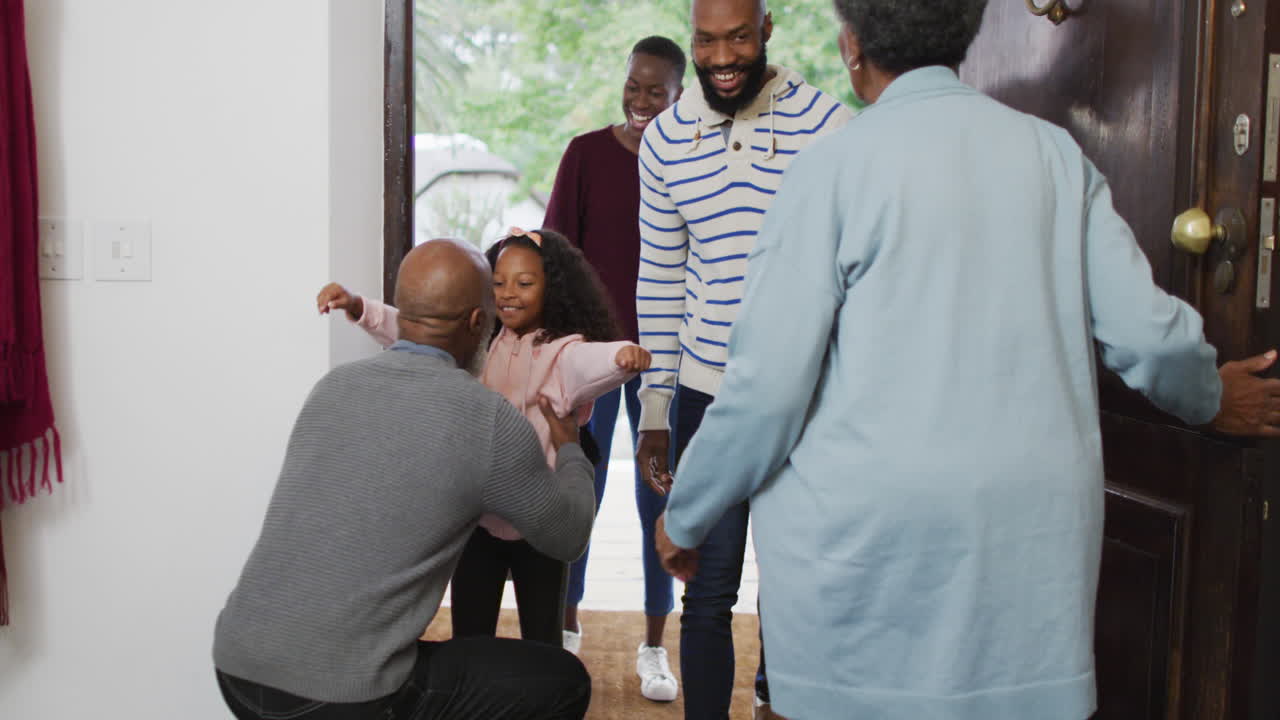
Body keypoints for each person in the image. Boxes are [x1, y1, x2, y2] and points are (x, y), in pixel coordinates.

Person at [652, 1, 1280, 719]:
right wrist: (1211, 396)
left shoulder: (830, 169)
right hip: (1025, 548)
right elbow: (1150, 337)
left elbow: (766, 389)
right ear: (965, 39)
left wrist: (688, 513)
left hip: (863, 552)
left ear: (851, 47)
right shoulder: (1054, 158)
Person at [213, 239, 596, 720]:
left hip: (236, 669)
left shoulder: (332, 387)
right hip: (343, 696)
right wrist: (570, 449)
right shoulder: (487, 419)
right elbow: (568, 536)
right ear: (479, 323)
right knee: (562, 680)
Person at [632, 0, 852, 716]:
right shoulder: (665, 141)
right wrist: (655, 411)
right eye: (706, 41)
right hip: (706, 398)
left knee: (797, 590)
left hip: (804, 399)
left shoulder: (830, 127)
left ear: (767, 32)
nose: (722, 57)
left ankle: (777, 702)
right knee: (708, 586)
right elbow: (662, 281)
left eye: (738, 38)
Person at [318, 228, 649, 652]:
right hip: (477, 515)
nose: (509, 293)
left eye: (525, 283)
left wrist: (622, 356)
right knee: (470, 634)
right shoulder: (475, 342)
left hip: (538, 522)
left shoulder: (562, 352)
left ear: (553, 288)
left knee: (542, 640)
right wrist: (360, 307)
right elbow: (414, 326)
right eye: (498, 282)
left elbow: (593, 361)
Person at [540, 34, 685, 702]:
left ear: (680, 95)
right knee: (580, 495)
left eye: (657, 90)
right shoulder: (586, 154)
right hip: (593, 355)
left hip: (663, 360)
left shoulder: (688, 158)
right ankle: (567, 634)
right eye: (634, 85)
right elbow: (556, 254)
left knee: (659, 497)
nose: (641, 100)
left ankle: (655, 646)